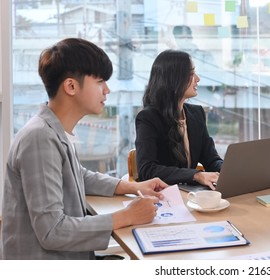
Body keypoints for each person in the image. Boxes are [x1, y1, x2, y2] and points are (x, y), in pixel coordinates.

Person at [1, 38, 168, 260]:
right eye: (100, 82)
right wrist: (126, 216)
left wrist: (133, 186)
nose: (107, 90)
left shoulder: (53, 129)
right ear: (71, 86)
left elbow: (78, 175)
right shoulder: (39, 138)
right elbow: (52, 231)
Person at [135, 49, 223, 189]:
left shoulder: (196, 114)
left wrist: (228, 170)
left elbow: (211, 159)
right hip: (165, 197)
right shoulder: (148, 118)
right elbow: (147, 170)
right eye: (191, 73)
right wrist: (196, 175)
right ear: (174, 78)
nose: (197, 78)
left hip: (191, 195)